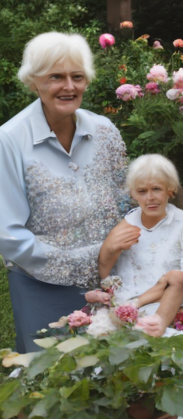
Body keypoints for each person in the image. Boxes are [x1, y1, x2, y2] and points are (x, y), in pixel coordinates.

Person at [0, 32, 130, 353]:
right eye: (55, 77)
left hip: (112, 279)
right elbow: (8, 234)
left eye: (77, 76)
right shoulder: (9, 140)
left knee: (116, 377)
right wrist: (85, 261)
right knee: (53, 380)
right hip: (42, 285)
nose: (69, 87)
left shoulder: (104, 130)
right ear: (34, 82)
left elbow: (126, 199)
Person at [94, 154, 183, 337]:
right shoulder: (127, 225)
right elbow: (105, 276)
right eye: (142, 191)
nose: (150, 198)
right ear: (133, 194)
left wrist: (178, 278)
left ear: (170, 190)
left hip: (176, 300)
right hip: (135, 299)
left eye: (156, 189)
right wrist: (110, 250)